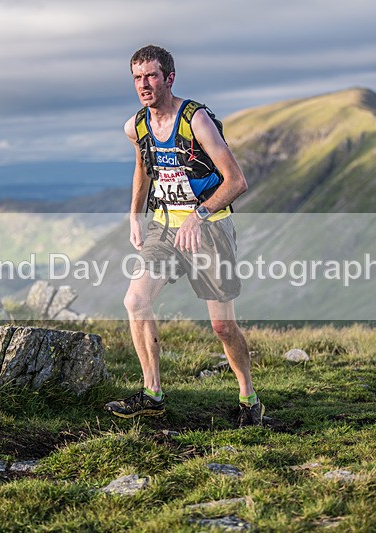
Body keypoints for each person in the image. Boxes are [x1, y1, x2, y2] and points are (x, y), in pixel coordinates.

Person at [105, 45, 264, 427]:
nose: (144, 85)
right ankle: (152, 395)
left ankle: (249, 398)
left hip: (209, 228)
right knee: (135, 300)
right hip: (163, 227)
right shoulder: (136, 126)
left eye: (151, 76)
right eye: (137, 78)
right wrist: (135, 216)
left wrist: (198, 215)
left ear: (169, 78)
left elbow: (236, 181)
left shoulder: (196, 120)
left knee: (222, 326)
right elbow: (143, 166)